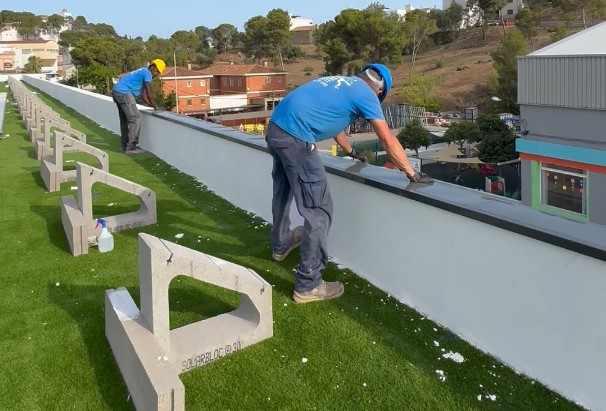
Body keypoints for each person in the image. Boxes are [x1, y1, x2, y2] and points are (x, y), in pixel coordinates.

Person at [266, 64, 433, 304]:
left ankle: (281, 244)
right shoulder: (367, 95)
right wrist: (411, 173)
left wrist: (351, 152)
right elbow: (386, 139)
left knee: (283, 191)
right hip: (296, 138)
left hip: (276, 129)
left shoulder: (343, 83)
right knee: (319, 210)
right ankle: (308, 284)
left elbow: (336, 127)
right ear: (380, 91)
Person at [112, 59, 166, 154]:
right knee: (136, 119)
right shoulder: (147, 73)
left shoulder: (142, 71)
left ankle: (124, 146)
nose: (156, 74)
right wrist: (156, 107)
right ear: (152, 67)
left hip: (117, 91)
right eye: (157, 71)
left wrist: (151, 105)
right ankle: (131, 147)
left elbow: (143, 94)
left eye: (158, 73)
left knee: (125, 120)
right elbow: (149, 93)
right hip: (124, 93)